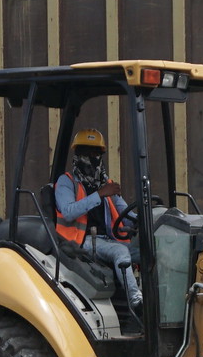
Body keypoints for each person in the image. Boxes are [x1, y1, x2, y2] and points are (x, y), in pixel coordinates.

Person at [53, 129, 142, 320]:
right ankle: (136, 301)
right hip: (79, 242)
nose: (93, 159)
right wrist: (100, 194)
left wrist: (145, 221)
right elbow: (68, 212)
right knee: (120, 252)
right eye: (88, 153)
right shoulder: (66, 182)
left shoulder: (104, 183)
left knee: (149, 251)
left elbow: (126, 213)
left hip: (108, 241)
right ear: (79, 155)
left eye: (97, 154)